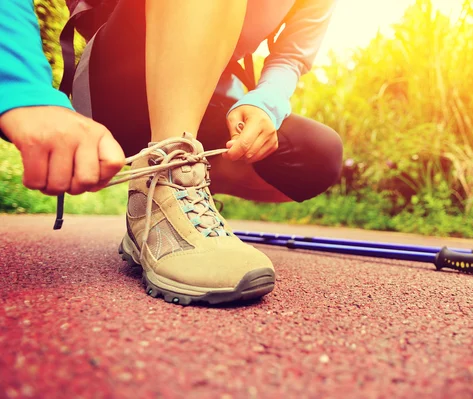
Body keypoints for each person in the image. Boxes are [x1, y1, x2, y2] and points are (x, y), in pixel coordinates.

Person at [0, 0, 343, 305]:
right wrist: (21, 85)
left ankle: (170, 192)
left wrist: (264, 103)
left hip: (202, 98)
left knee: (316, 156)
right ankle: (169, 175)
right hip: (116, 80)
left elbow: (292, 57)